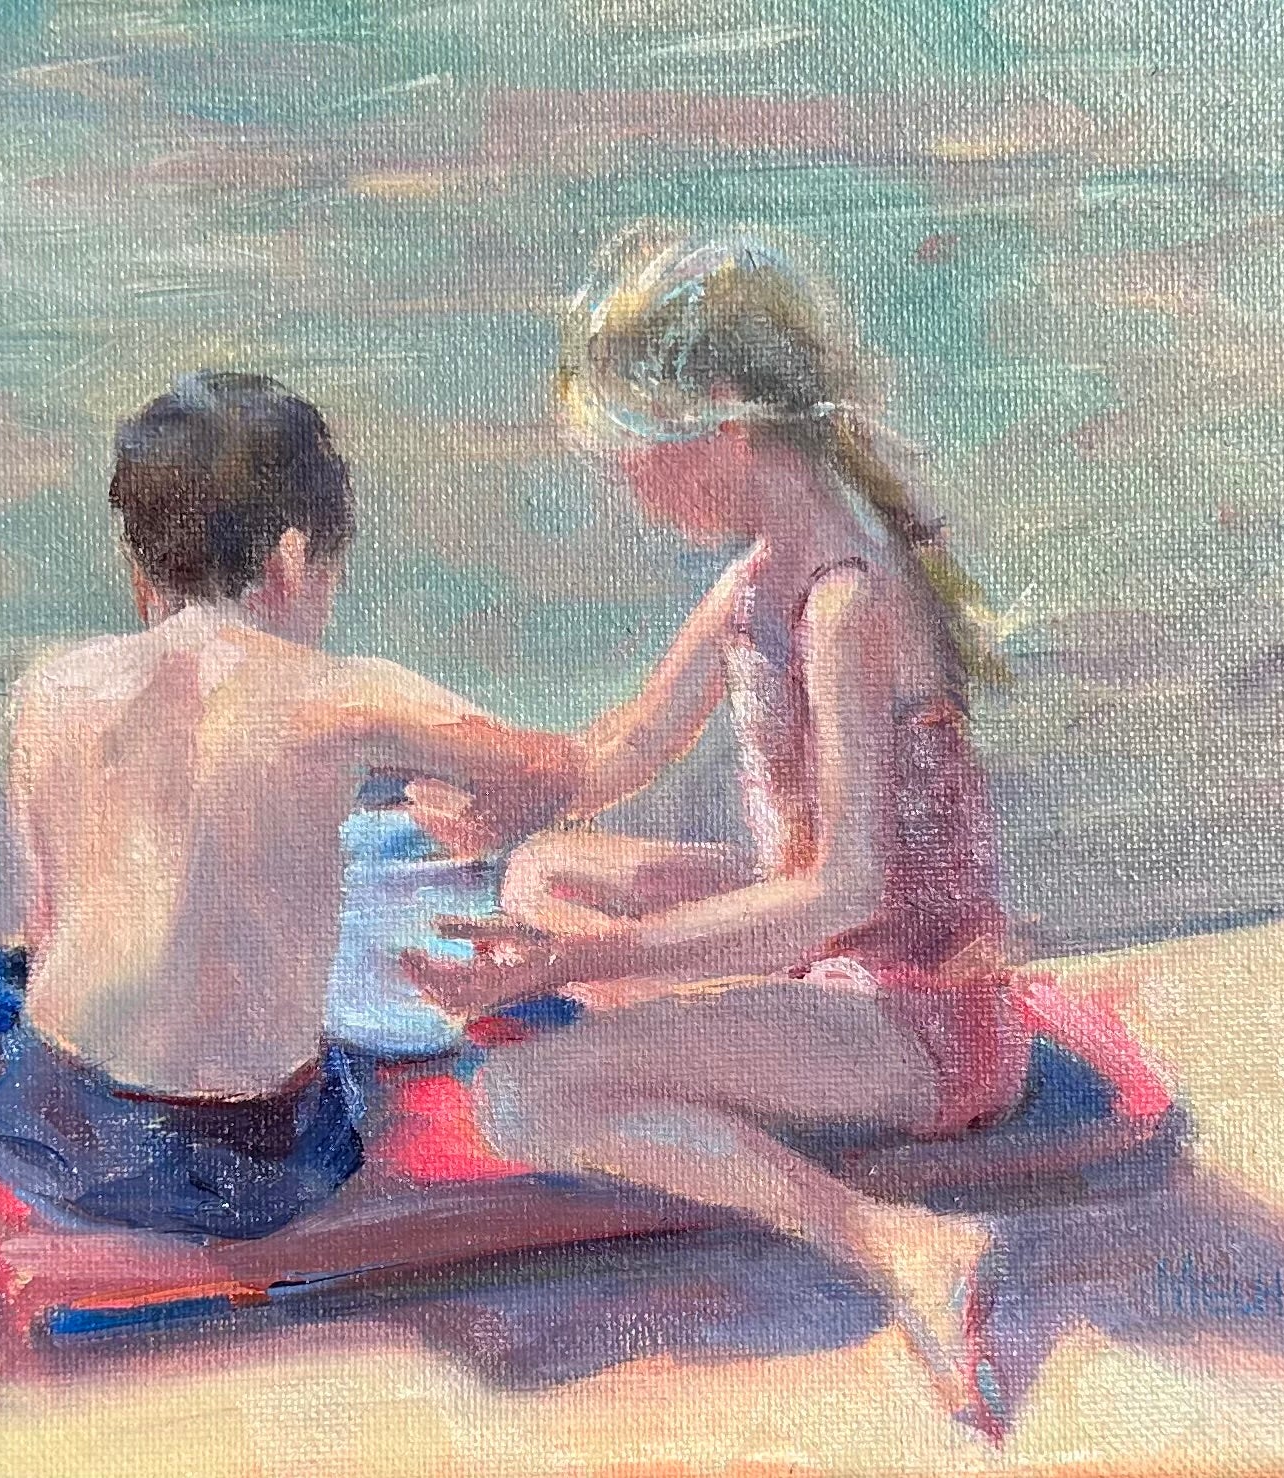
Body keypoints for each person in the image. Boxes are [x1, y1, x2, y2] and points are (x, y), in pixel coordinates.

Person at [403, 233, 1029, 1439]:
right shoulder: (756, 580)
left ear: (726, 426)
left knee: (518, 1101)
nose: (632, 488)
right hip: (819, 956)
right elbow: (616, 754)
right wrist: (499, 802)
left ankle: (897, 1242)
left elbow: (842, 891)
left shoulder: (844, 603)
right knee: (542, 869)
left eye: (637, 455)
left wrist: (577, 964)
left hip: (912, 1018)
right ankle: (704, 1036)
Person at [0, 370, 581, 1241]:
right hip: (257, 1173)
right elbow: (561, 770)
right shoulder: (341, 694)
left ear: (142, 569)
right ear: (290, 560)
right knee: (396, 1040)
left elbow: (46, 934)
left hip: (50, 1141)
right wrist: (488, 817)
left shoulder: (51, 689)